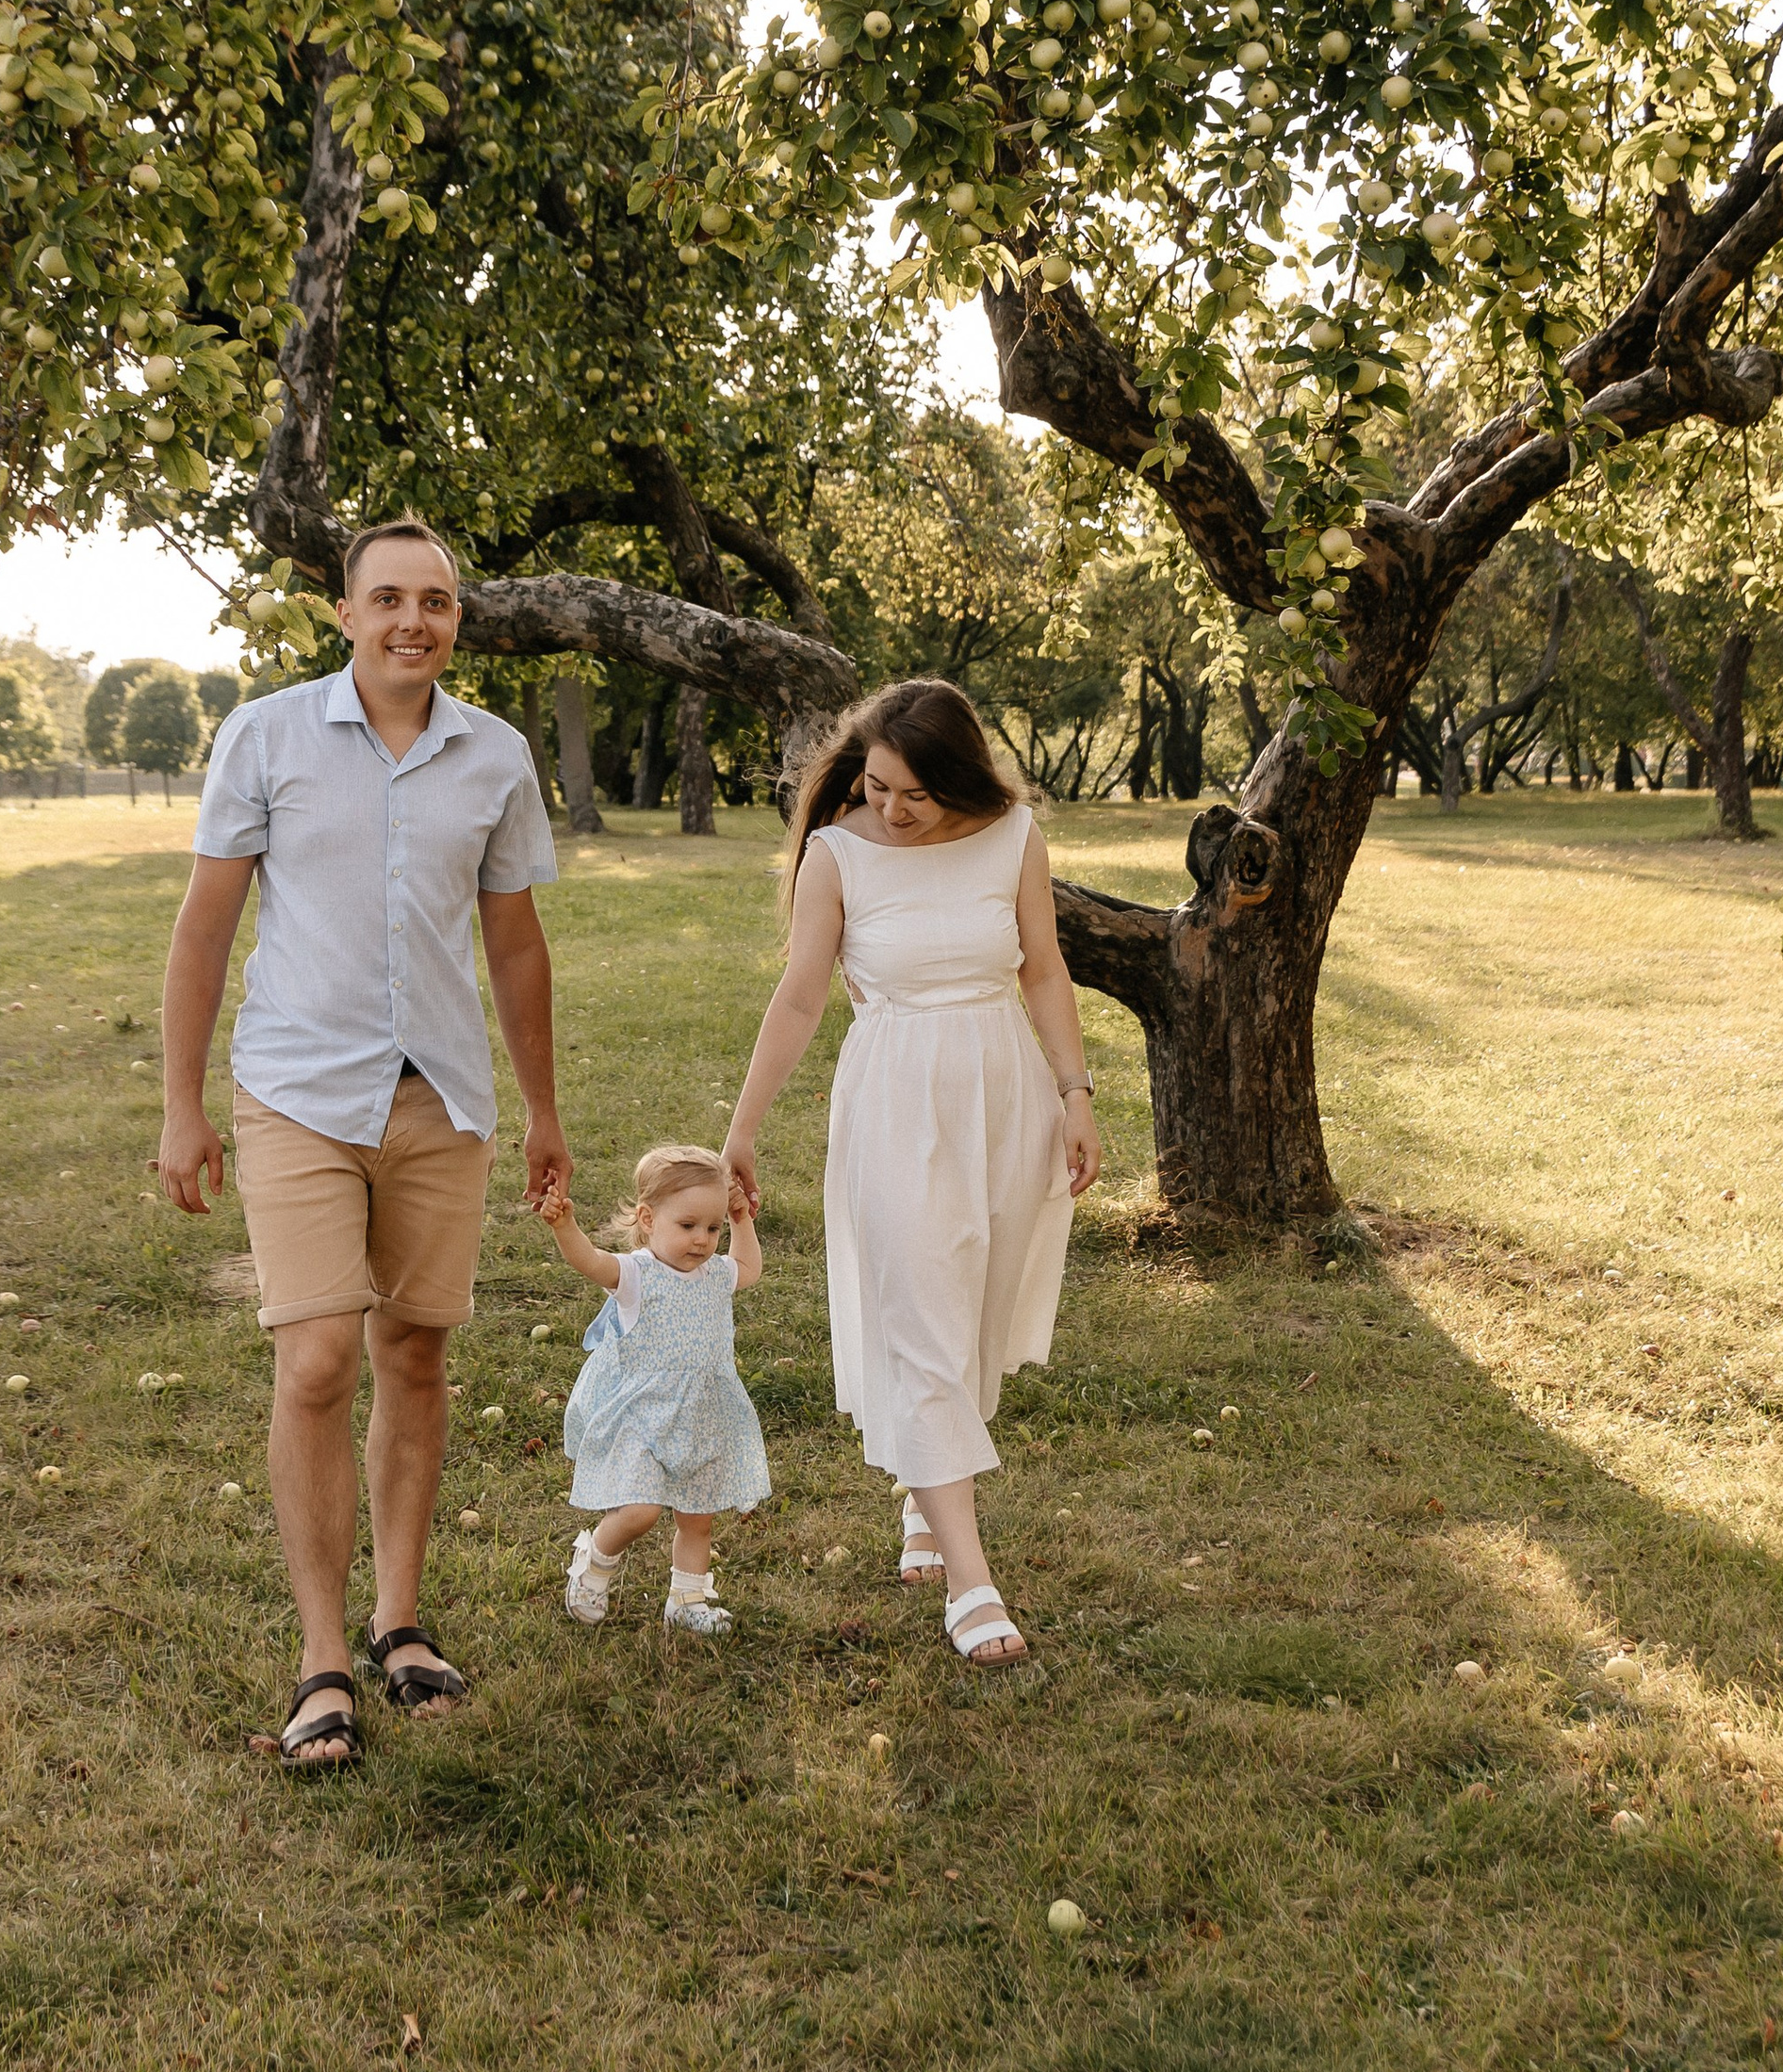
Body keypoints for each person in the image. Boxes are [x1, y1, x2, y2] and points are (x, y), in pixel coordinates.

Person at [155, 517, 568, 1770]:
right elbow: (204, 932)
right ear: (342, 614)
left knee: (418, 1352)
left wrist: (546, 1112)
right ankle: (322, 1658)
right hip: (296, 1091)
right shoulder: (268, 736)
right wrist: (181, 1106)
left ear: (457, 620)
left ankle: (402, 1623)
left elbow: (514, 946)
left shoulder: (494, 756)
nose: (412, 622)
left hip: (440, 1095)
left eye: (435, 602)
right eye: (386, 599)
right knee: (322, 1356)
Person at [723, 680, 1101, 1668]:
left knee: (971, 1305)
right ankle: (973, 1584)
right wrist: (743, 1129)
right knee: (921, 1314)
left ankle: (926, 1498)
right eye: (876, 784)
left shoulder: (1012, 834)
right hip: (893, 1098)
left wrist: (1074, 1091)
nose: (888, 807)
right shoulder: (836, 854)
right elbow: (802, 995)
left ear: (960, 782)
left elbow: (1044, 967)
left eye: (913, 795)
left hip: (1001, 1093)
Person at [535, 1145, 771, 1639]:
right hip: (642, 1415)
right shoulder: (637, 1275)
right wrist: (564, 1228)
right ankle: (595, 1561)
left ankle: (687, 1598)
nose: (703, 1240)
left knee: (696, 1518)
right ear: (647, 1218)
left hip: (702, 1416)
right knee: (641, 1510)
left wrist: (741, 1218)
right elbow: (590, 1261)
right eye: (688, 1226)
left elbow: (749, 1268)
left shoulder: (715, 1275)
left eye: (713, 1228)